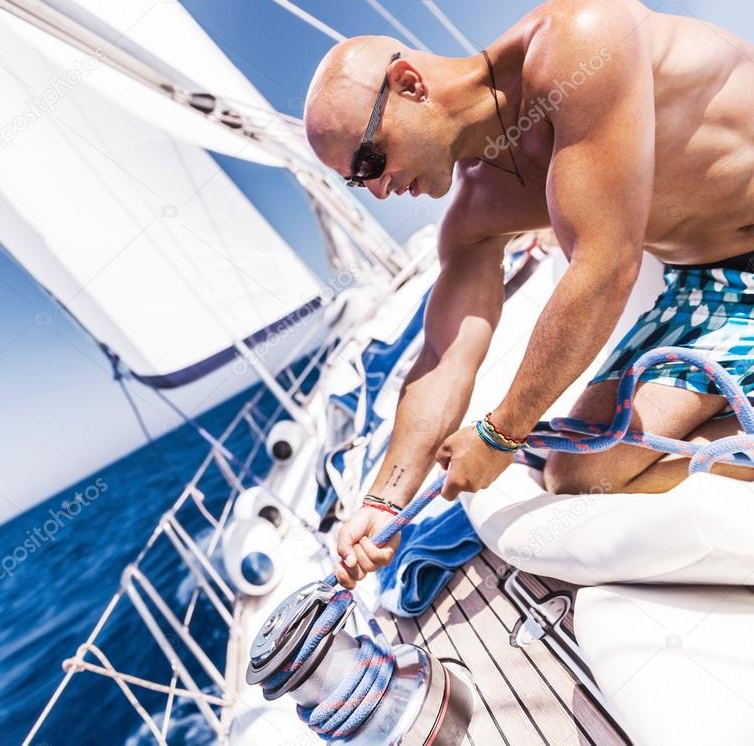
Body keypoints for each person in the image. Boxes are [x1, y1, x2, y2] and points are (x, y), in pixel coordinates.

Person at [302, 0, 754, 589]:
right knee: (576, 472)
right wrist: (385, 502)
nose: (379, 189)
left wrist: (500, 433)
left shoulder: (580, 40)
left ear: (408, 83)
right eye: (359, 180)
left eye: (371, 158)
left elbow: (607, 267)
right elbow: (443, 356)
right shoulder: (476, 211)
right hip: (707, 287)